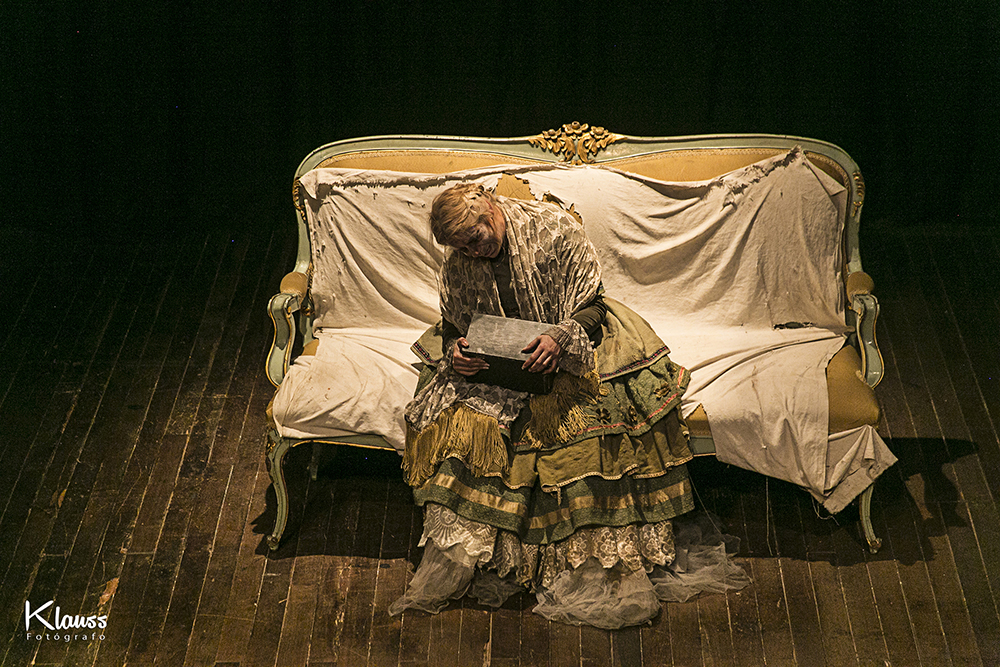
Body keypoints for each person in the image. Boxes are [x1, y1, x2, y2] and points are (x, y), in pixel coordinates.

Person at [390, 182, 746, 628]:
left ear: (489, 209)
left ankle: (585, 564)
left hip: (576, 341)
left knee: (590, 436)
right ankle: (493, 555)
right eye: (462, 248)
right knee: (462, 431)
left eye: (475, 239)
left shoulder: (553, 229)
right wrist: (455, 350)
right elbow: (455, 322)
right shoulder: (461, 259)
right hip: (503, 360)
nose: (473, 253)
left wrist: (559, 338)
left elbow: (593, 305)